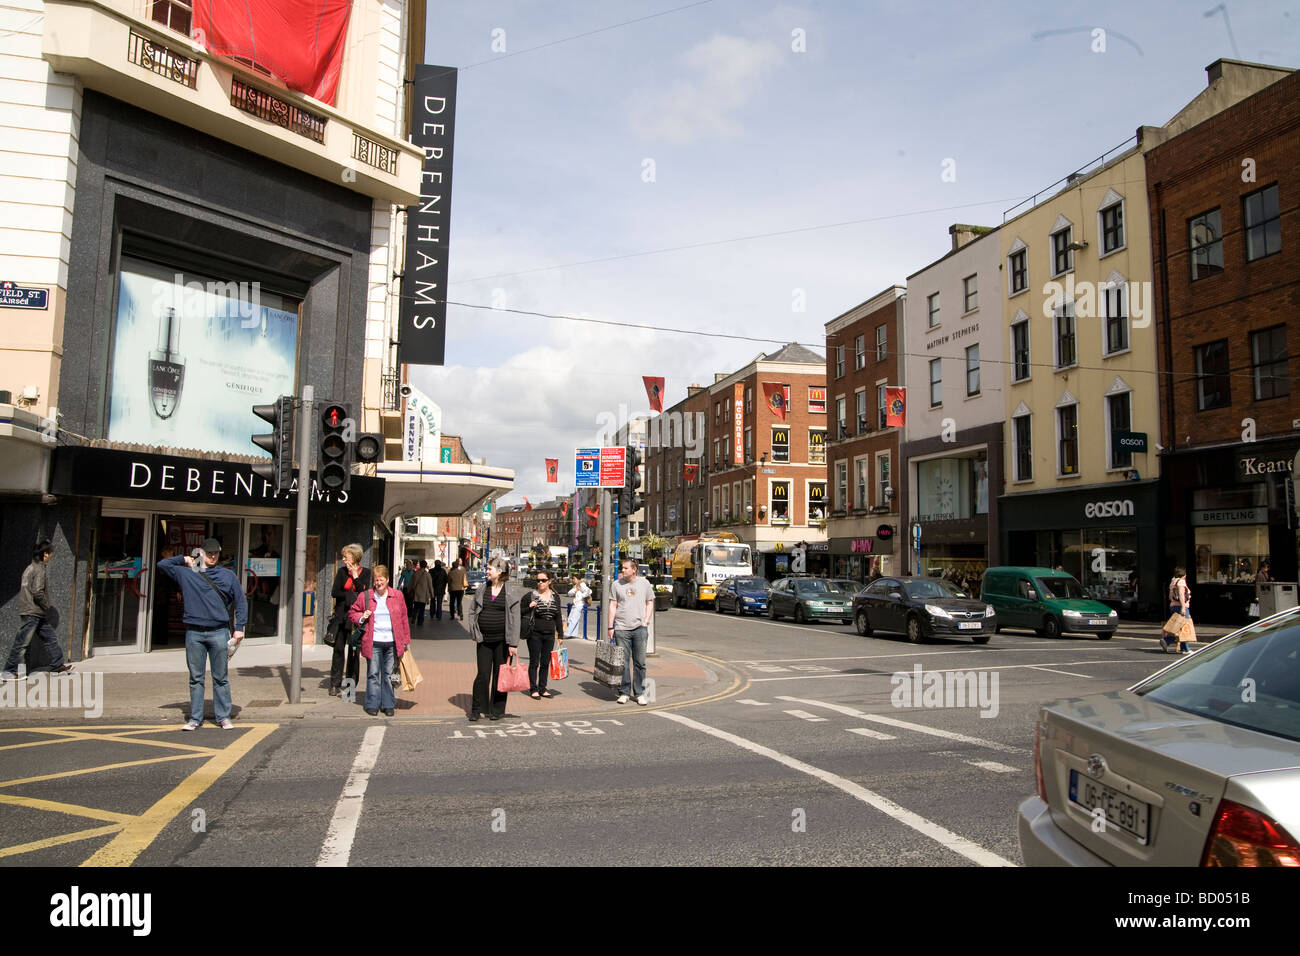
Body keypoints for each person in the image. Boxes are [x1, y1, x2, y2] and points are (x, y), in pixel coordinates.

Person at [157, 537, 247, 730]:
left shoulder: (227, 576)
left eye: (216, 553)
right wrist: (184, 559)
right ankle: (195, 718)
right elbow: (162, 564)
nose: (213, 556)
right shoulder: (187, 573)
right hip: (194, 632)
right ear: (201, 553)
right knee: (196, 678)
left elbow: (240, 601)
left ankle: (223, 716)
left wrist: (240, 627)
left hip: (219, 631)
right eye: (209, 553)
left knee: (220, 677)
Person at [3, 540, 74, 681]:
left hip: (33, 612)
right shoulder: (39, 569)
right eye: (51, 553)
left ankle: (57, 666)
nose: (52, 556)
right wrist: (46, 606)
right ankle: (9, 671)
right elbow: (37, 592)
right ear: (45, 554)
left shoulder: (30, 568)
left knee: (50, 638)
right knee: (22, 642)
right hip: (33, 612)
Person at [348, 564, 411, 717]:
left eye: (381, 580)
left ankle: (388, 704)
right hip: (373, 641)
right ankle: (372, 704)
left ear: (388, 580)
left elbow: (403, 619)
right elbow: (352, 612)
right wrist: (362, 617)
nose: (378, 583)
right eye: (376, 580)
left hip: (392, 642)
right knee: (373, 674)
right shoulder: (366, 596)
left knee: (389, 675)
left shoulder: (397, 596)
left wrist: (405, 642)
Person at [466, 556, 521, 721]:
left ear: (500, 571)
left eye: (490, 569)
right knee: (482, 675)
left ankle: (496, 709)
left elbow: (515, 619)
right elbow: (472, 611)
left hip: (503, 641)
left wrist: (513, 643)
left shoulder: (510, 591)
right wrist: (475, 632)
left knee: (500, 675)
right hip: (484, 640)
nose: (487, 571)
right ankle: (477, 709)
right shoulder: (482, 589)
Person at [608, 557, 654, 706]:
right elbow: (613, 605)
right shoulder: (616, 584)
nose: (622, 570)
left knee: (640, 662)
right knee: (623, 663)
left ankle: (640, 693)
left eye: (626, 568)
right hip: (622, 628)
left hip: (639, 628)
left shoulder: (644, 583)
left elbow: (649, 602)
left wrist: (645, 621)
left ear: (634, 570)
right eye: (622, 567)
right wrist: (610, 626)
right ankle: (624, 692)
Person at [329, 544, 371, 697]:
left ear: (354, 557)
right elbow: (334, 592)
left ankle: (350, 687)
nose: (343, 559)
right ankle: (334, 684)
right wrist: (348, 596)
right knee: (338, 650)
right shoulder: (341, 572)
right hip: (341, 617)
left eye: (346, 557)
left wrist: (355, 577)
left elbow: (364, 592)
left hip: (356, 620)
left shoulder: (365, 573)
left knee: (354, 653)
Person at [525, 570, 565, 699]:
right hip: (534, 633)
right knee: (534, 662)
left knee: (545, 662)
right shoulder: (531, 595)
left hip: (549, 634)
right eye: (538, 580)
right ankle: (533, 689)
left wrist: (560, 635)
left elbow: (558, 616)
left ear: (549, 581)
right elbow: (520, 611)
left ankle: (542, 688)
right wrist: (529, 607)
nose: (540, 583)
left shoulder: (555, 596)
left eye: (543, 580)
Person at [1165, 566, 1193, 654]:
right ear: (1183, 574)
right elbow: (1181, 595)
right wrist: (1183, 607)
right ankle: (1168, 641)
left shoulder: (1173, 582)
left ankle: (1181, 647)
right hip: (1181, 606)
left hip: (1173, 606)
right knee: (1184, 627)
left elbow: (1170, 597)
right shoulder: (1181, 582)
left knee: (1179, 627)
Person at [565, 572, 592, 639]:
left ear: (577, 578)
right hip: (576, 604)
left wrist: (581, 596)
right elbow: (569, 593)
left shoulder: (582, 584)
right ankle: (573, 634)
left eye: (574, 578)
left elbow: (589, 591)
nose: (573, 580)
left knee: (573, 619)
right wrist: (576, 591)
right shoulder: (577, 585)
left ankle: (567, 633)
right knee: (572, 619)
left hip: (579, 604)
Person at [409, 559, 433, 626]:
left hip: (416, 594)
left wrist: (409, 591)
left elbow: (411, 583)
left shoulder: (415, 573)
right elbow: (430, 585)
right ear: (425, 566)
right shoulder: (427, 575)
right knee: (422, 610)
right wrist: (432, 594)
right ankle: (420, 621)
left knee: (415, 607)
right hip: (423, 595)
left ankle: (414, 617)